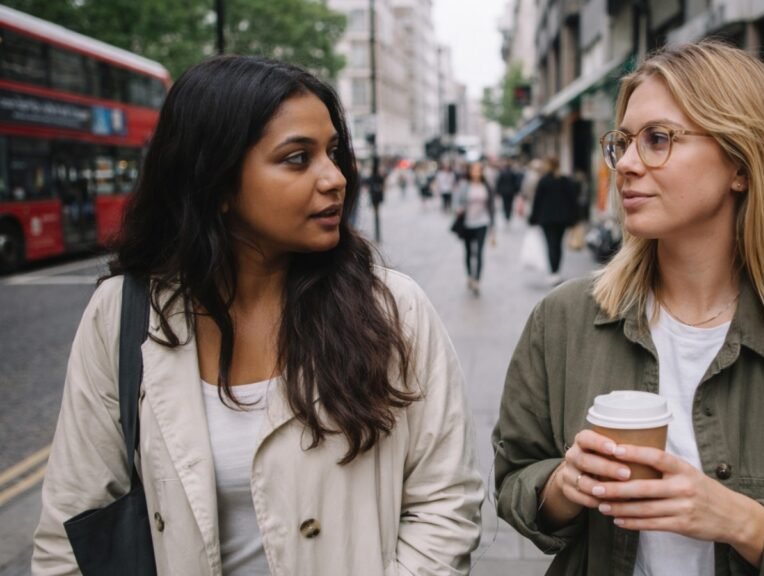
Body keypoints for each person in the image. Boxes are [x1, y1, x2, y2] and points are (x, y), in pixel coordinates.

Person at [33, 55, 483, 575]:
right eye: (298, 158)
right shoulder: (121, 314)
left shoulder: (393, 308)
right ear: (217, 181)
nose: (334, 178)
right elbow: (72, 524)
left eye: (333, 153)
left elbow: (445, 502)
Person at [492, 41, 764, 576]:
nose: (626, 164)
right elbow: (514, 481)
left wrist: (745, 523)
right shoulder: (564, 319)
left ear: (740, 164)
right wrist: (563, 484)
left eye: (658, 140)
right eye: (623, 142)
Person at [529, 156, 578, 285]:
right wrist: (574, 218)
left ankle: (553, 272)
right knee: (558, 245)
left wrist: (533, 218)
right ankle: (556, 271)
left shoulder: (544, 181)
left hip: (547, 219)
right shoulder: (565, 180)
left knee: (551, 244)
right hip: (562, 219)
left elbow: (537, 201)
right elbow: (572, 200)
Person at [453, 161, 496, 296]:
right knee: (468, 251)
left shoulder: (486, 186)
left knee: (479, 252)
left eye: (479, 170)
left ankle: (477, 280)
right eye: (474, 170)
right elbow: (457, 201)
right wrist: (458, 209)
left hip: (482, 223)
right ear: (470, 171)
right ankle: (469, 276)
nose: (477, 172)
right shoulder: (464, 185)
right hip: (467, 223)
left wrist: (493, 226)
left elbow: (491, 207)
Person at [495, 159, 523, 226]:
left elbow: (499, 183)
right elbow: (516, 183)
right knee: (509, 204)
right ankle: (508, 215)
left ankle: (507, 215)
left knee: (505, 204)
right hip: (510, 192)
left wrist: (498, 191)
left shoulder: (503, 173)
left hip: (505, 192)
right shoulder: (512, 173)